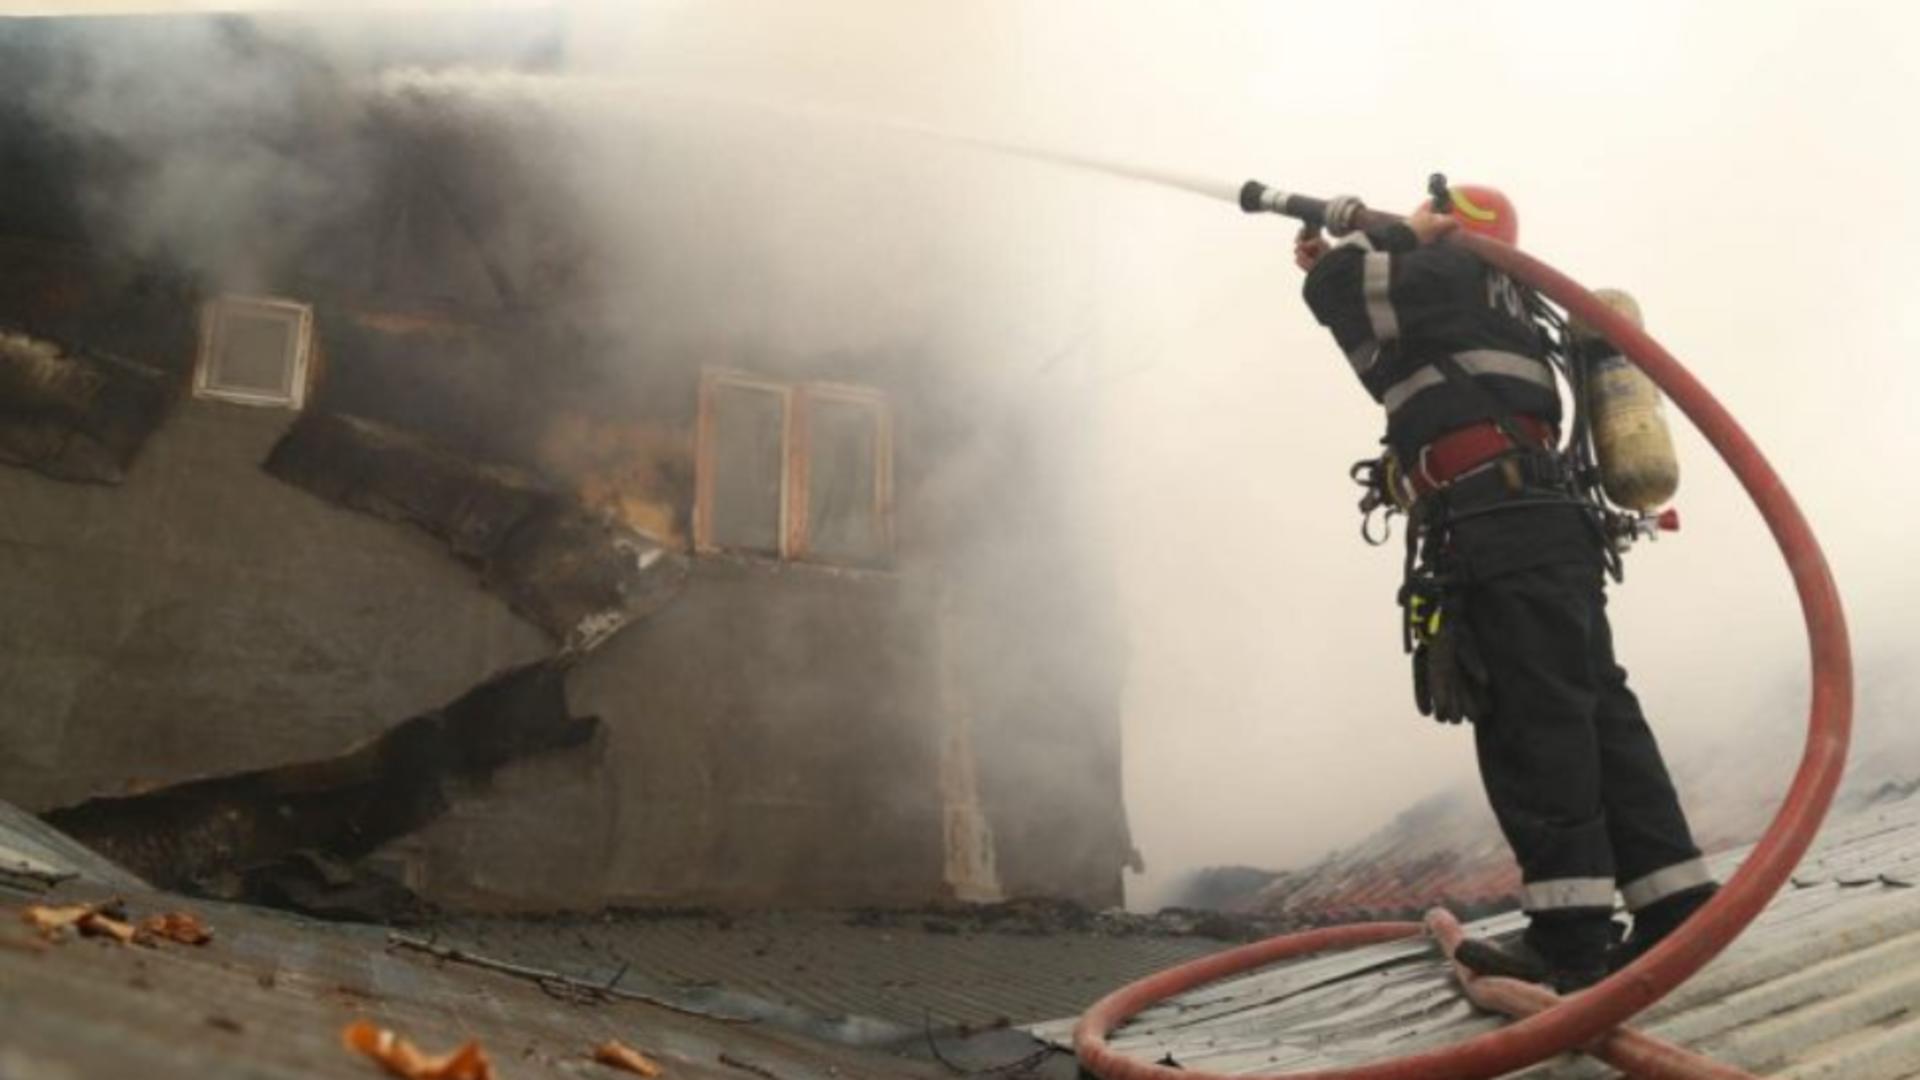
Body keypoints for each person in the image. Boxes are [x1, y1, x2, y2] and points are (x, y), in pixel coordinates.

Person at [1293, 185, 1716, 992]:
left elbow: (1339, 288)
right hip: (1540, 523)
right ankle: (1673, 900)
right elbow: (1367, 328)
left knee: (1533, 722)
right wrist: (1343, 259)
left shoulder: (1449, 274)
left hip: (1501, 526)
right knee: (1594, 705)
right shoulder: (1493, 302)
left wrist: (1382, 243)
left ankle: (1569, 938)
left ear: (1451, 227)